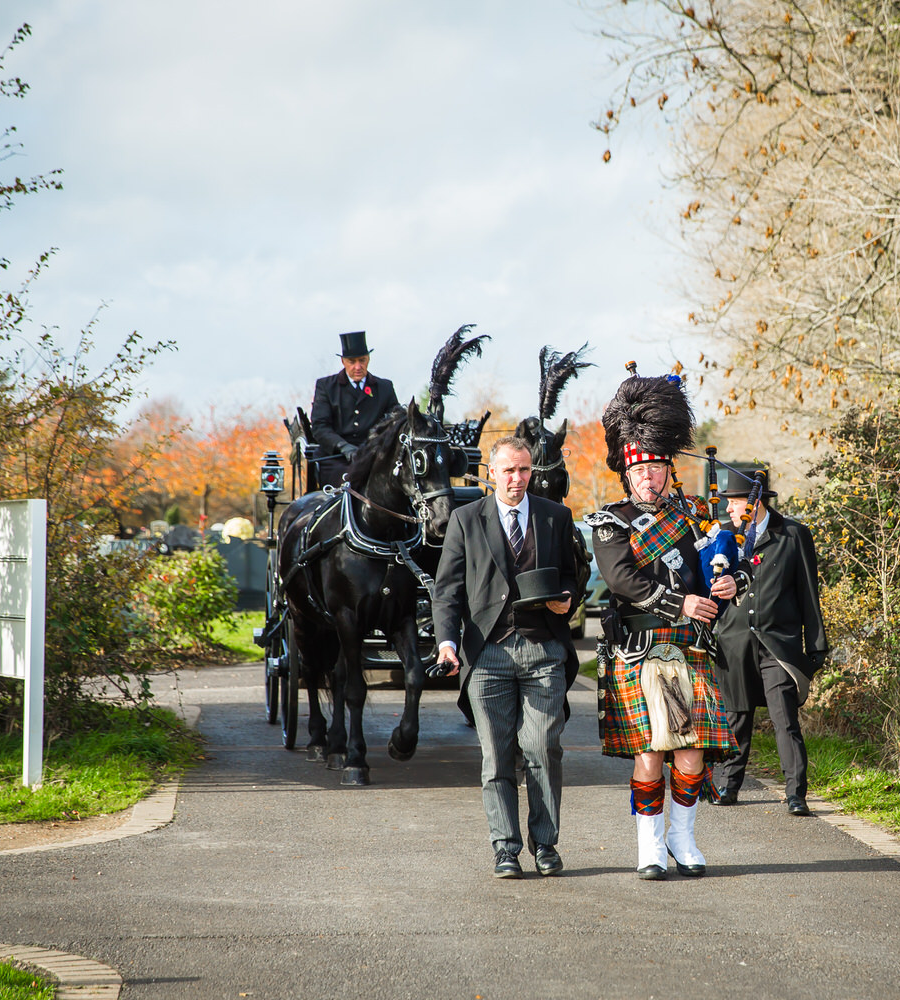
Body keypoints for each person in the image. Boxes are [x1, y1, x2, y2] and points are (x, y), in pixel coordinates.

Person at [586, 373, 741, 880]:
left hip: (689, 647)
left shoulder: (697, 517)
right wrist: (684, 602)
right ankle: (650, 847)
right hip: (638, 648)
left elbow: (731, 563)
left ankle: (684, 835)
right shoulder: (610, 522)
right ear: (626, 475)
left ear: (669, 470)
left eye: (654, 469)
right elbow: (622, 579)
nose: (647, 479)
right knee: (651, 752)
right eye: (639, 472)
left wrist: (729, 582)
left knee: (692, 751)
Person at [432, 436, 580, 879]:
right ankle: (505, 848)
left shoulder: (557, 516)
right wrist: (447, 643)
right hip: (488, 652)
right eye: (509, 471)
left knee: (542, 748)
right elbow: (448, 590)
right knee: (496, 757)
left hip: (544, 650)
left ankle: (546, 844)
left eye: (524, 470)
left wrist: (566, 601)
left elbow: (573, 576)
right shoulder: (465, 519)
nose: (517, 479)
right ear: (491, 473)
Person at [712, 466, 828, 815]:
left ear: (754, 502)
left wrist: (816, 646)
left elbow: (809, 593)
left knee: (785, 719)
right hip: (732, 643)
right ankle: (728, 786)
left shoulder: (793, 535)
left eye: (734, 503)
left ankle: (796, 794)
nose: (729, 510)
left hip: (778, 644)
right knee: (736, 717)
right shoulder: (722, 539)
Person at [309, 331, 401, 486]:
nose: (358, 367)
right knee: (349, 481)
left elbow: (395, 421)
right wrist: (343, 447)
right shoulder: (326, 386)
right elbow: (320, 427)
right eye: (352, 362)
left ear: (368, 359)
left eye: (362, 360)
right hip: (335, 458)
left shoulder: (384, 387)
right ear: (343, 362)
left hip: (374, 456)